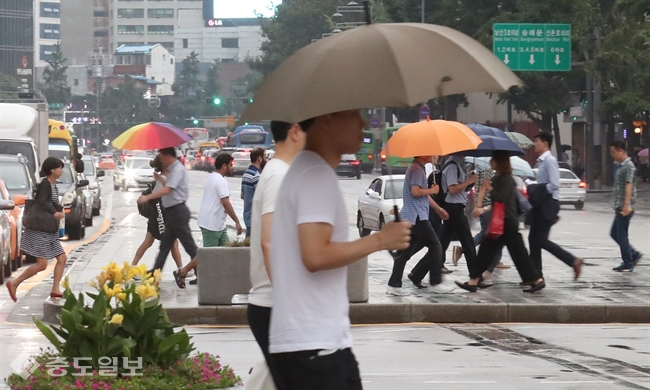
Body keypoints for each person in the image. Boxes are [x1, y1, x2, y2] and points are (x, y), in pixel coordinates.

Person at [268, 110, 411, 390]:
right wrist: (381, 240)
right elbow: (315, 255)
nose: (362, 123)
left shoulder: (309, 169)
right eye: (354, 114)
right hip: (313, 348)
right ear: (327, 120)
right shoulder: (314, 174)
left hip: (319, 343)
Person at [248, 121, 306, 387]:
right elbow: (268, 241)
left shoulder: (280, 172)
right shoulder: (279, 175)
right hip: (274, 304)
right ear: (295, 131)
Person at [455, 151, 545, 293]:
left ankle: (536, 279)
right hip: (502, 222)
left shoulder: (505, 179)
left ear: (499, 162)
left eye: (493, 160)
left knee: (517, 253)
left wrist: (489, 187)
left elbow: (501, 198)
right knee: (488, 251)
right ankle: (473, 280)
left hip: (506, 222)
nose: (491, 162)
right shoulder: (501, 178)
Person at [174, 153, 243, 287]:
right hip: (212, 223)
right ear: (224, 166)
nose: (232, 168)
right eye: (230, 165)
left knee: (226, 251)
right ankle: (182, 272)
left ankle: (219, 278)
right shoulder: (220, 181)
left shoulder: (213, 178)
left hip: (218, 224)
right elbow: (226, 203)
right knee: (207, 254)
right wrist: (237, 221)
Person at [6, 157, 68, 302]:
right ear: (52, 170)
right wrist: (54, 212)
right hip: (40, 231)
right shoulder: (45, 184)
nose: (61, 171)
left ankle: (55, 289)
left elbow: (51, 202)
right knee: (42, 264)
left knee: (62, 258)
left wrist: (60, 210)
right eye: (59, 168)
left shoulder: (53, 185)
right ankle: (14, 283)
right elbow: (42, 202)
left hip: (50, 231)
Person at [386, 155, 444, 296]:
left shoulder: (418, 168)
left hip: (414, 216)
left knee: (404, 253)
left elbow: (422, 193)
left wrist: (437, 208)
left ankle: (394, 285)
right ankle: (435, 282)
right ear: (425, 154)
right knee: (435, 246)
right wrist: (432, 190)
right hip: (417, 216)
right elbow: (415, 192)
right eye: (433, 152)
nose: (436, 155)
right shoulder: (417, 169)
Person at [528, 132, 583, 280]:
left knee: (540, 240)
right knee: (533, 240)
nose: (535, 144)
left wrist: (537, 190)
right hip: (541, 204)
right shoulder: (541, 162)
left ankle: (572, 261)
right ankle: (535, 275)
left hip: (547, 204)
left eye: (537, 141)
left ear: (545, 143)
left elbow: (554, 185)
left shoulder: (549, 161)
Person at [137, 147, 198, 280]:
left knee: (190, 247)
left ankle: (199, 272)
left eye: (162, 157)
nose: (161, 161)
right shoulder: (172, 170)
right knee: (164, 246)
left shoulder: (177, 169)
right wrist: (161, 178)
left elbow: (167, 190)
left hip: (178, 213)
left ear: (168, 156)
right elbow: (169, 185)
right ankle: (155, 272)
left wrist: (147, 197)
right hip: (171, 213)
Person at [131, 156, 184, 272]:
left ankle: (132, 267)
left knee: (148, 242)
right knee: (173, 244)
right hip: (161, 218)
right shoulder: (164, 180)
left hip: (156, 217)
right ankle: (181, 270)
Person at [438, 155, 478, 273]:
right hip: (453, 208)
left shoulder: (459, 165)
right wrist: (469, 181)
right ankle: (475, 276)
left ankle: (418, 272)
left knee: (441, 243)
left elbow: (462, 189)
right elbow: (453, 189)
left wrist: (470, 182)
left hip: (457, 207)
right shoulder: (452, 166)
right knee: (468, 243)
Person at [609, 141, 643, 271]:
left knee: (621, 235)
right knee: (615, 233)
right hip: (620, 205)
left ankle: (628, 261)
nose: (612, 155)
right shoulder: (621, 166)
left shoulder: (628, 166)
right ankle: (633, 254)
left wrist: (626, 205)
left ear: (621, 151)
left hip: (626, 206)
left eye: (613, 152)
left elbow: (629, 186)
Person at [241, 148, 265, 238]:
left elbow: (242, 195)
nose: (266, 160)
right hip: (257, 220)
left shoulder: (246, 174)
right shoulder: (257, 176)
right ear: (260, 159)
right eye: (265, 157)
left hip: (248, 218)